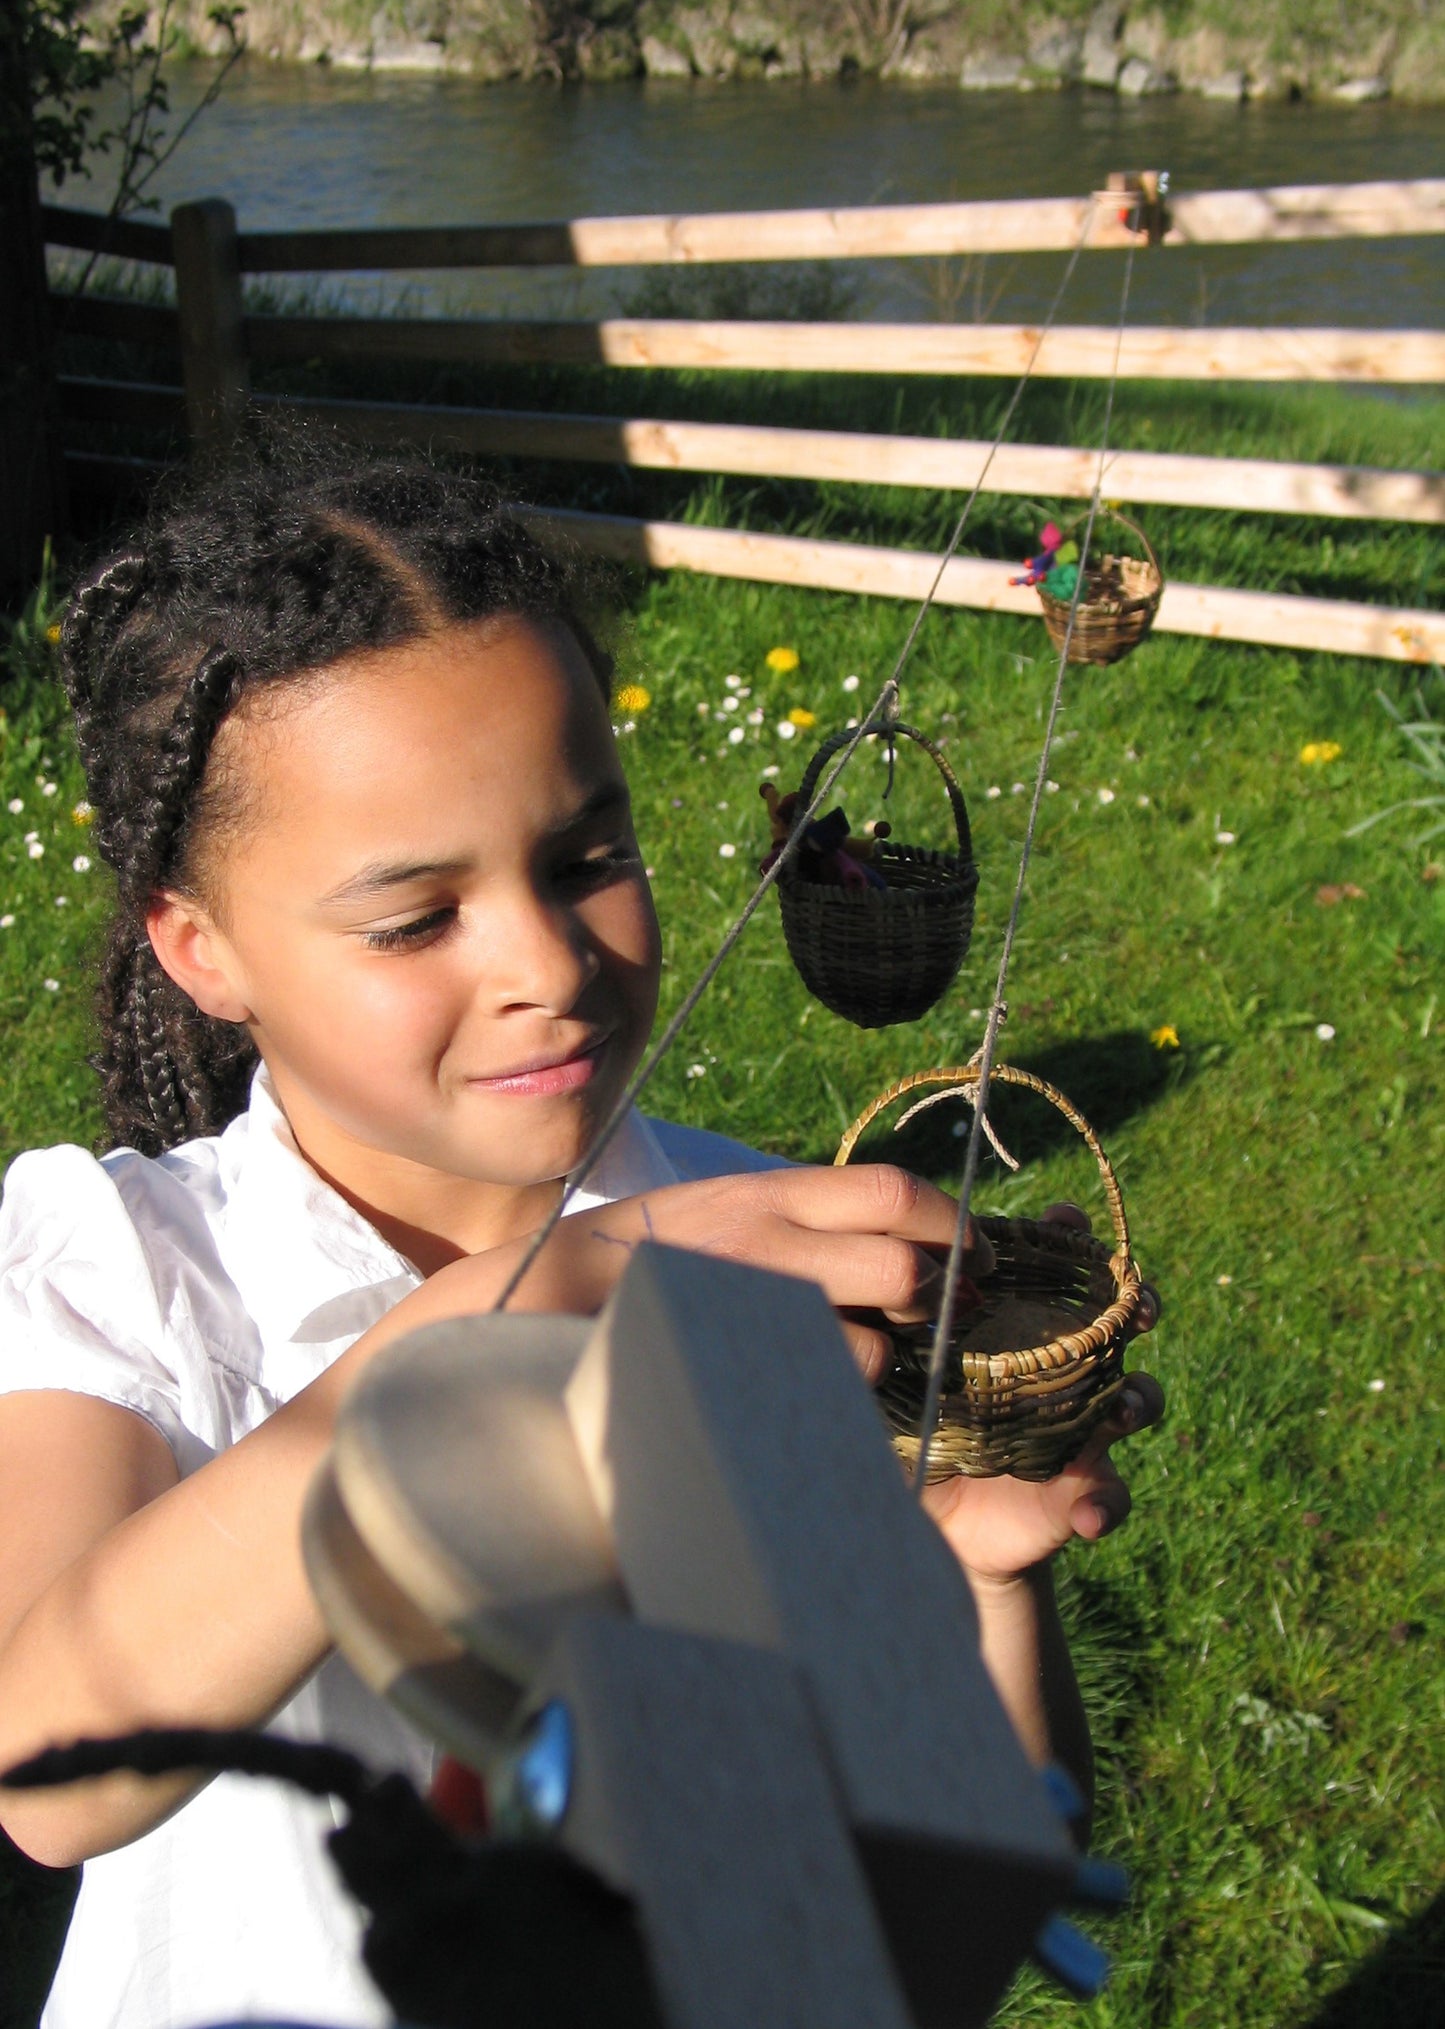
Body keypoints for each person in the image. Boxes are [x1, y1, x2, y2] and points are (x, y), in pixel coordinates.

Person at [0, 451, 1162, 2029]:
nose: (546, 959)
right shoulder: (135, 1267)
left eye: (586, 858)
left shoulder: (746, 1266)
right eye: (416, 917)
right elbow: (56, 1763)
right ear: (203, 949)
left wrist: (981, 1588)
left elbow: (935, 1921)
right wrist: (527, 1306)